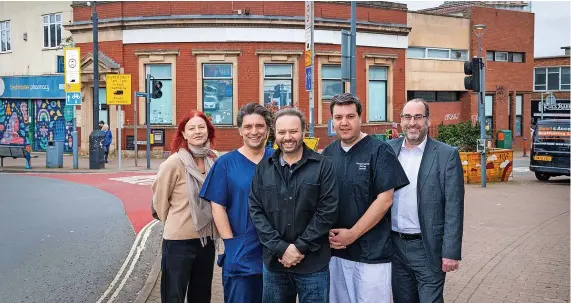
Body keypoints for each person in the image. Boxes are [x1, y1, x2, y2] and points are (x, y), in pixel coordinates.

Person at [321, 93, 409, 303]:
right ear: (332, 120)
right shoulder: (328, 154)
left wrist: (352, 234)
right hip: (336, 253)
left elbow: (385, 200)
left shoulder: (379, 151)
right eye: (338, 117)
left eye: (350, 116)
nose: (344, 122)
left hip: (372, 254)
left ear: (360, 117)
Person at [248, 107, 339, 303]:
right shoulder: (263, 168)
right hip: (275, 265)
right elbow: (256, 211)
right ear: (275, 133)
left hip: (313, 264)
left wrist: (299, 248)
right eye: (282, 132)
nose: (287, 137)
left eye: (293, 131)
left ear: (304, 131)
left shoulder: (323, 166)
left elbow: (327, 211)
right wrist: (281, 248)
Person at [386, 98, 465, 303]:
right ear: (401, 121)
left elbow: (454, 207)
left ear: (428, 120)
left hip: (428, 248)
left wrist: (451, 252)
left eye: (418, 117)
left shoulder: (447, 155)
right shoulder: (387, 150)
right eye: (407, 117)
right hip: (395, 247)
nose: (412, 123)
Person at [200, 103, 274, 303]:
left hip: (277, 252)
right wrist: (231, 244)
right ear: (240, 130)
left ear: (267, 129)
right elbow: (218, 206)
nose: (254, 132)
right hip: (241, 250)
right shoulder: (226, 163)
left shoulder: (278, 160)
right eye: (248, 127)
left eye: (259, 126)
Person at [152, 110, 219, 303]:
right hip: (178, 242)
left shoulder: (214, 160)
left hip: (206, 240)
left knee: (201, 295)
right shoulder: (174, 163)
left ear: (208, 131)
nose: (197, 131)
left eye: (201, 127)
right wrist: (177, 223)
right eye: (191, 128)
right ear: (183, 134)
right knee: (174, 295)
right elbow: (159, 202)